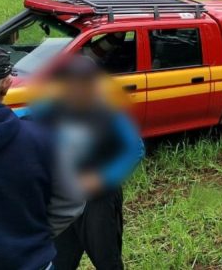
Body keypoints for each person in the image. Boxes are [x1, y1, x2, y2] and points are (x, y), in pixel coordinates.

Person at [23, 55, 144, 270]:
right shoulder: (50, 108)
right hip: (62, 198)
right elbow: (21, 119)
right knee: (58, 261)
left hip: (97, 201)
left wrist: (104, 177)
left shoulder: (109, 112)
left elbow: (134, 149)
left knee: (107, 261)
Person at [0, 47, 85, 270]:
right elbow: (71, 202)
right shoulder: (42, 138)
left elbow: (135, 147)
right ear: (6, 83)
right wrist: (35, 232)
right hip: (30, 260)